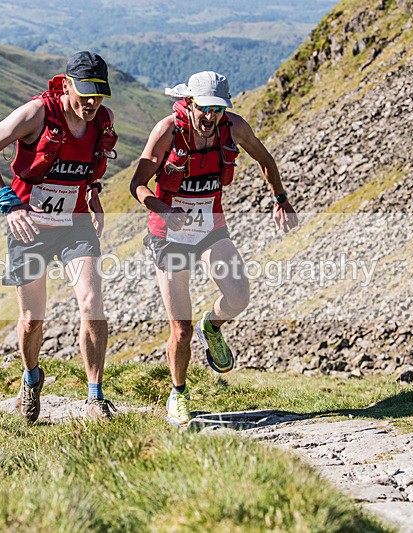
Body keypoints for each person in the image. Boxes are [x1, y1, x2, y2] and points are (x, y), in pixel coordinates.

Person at [129, 71, 299, 426]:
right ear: (190, 103)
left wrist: (280, 199)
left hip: (210, 228)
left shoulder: (234, 128)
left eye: (218, 110)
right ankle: (179, 393)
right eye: (204, 109)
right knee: (180, 329)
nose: (211, 117)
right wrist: (162, 208)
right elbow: (138, 184)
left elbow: (266, 160)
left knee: (239, 296)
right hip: (168, 234)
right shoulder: (167, 131)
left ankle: (214, 325)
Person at [0, 51, 119, 422]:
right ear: (66, 84)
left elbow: (87, 164)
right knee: (32, 319)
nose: (91, 102)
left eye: (99, 94)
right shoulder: (37, 113)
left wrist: (94, 191)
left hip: (75, 224)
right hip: (30, 226)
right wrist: (8, 203)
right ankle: (31, 377)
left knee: (91, 301)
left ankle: (95, 396)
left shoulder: (102, 120)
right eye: (84, 92)